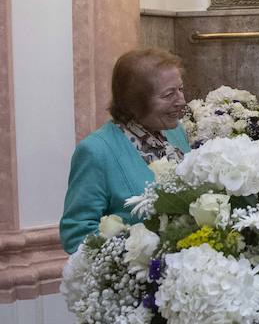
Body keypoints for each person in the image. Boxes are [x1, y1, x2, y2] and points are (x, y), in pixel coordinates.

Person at [60, 48, 191, 253]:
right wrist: (134, 254)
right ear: (135, 102)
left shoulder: (176, 133)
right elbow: (76, 233)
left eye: (180, 89)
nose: (181, 101)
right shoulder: (95, 152)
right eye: (169, 95)